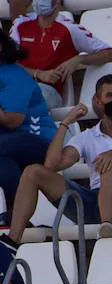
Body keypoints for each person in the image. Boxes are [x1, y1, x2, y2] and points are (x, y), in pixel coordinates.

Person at [4, 76, 112, 243]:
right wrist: (65, 123)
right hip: (94, 204)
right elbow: (52, 165)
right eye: (111, 95)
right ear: (97, 101)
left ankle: (107, 229)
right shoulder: (87, 136)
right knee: (33, 172)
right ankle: (13, 241)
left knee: (108, 164)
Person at [11, 0, 112, 110]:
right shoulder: (20, 23)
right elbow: (7, 62)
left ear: (57, 2)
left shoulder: (70, 28)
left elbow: (109, 53)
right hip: (17, 86)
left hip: (49, 91)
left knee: (30, 96)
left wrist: (79, 59)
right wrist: (38, 73)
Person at [0, 30, 56, 230]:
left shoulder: (13, 74)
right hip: (8, 146)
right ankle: (16, 219)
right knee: (3, 164)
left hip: (36, 140)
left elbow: (12, 120)